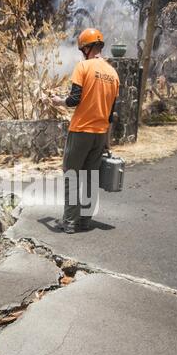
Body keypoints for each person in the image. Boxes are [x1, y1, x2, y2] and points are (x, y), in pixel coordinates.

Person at [51, 28, 120, 234]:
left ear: (87, 48)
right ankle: (84, 221)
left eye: (83, 49)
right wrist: (107, 140)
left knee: (71, 175)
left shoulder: (83, 67)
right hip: (100, 134)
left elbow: (74, 100)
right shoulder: (113, 74)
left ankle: (70, 222)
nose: (82, 53)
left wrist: (59, 101)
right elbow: (110, 115)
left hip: (81, 130)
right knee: (91, 177)